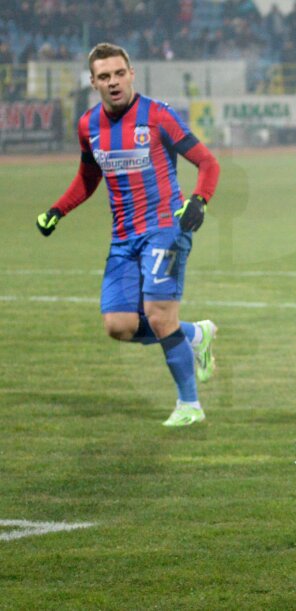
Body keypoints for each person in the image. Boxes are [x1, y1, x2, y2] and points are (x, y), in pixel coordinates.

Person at [35, 43, 221, 428]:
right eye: (104, 76)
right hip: (123, 238)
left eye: (119, 73)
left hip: (165, 231)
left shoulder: (157, 116)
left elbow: (207, 161)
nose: (113, 82)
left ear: (131, 73)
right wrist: (58, 209)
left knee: (158, 316)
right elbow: (89, 177)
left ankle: (190, 405)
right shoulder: (89, 125)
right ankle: (196, 335)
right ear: (93, 82)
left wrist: (199, 200)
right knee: (118, 326)